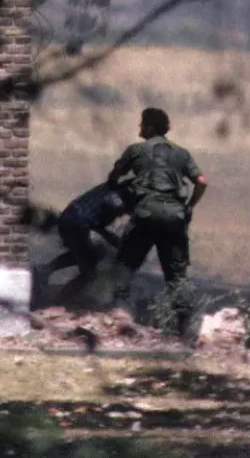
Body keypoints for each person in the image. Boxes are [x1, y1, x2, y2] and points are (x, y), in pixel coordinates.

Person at [107, 106, 207, 336]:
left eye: (142, 124)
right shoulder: (182, 153)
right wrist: (189, 206)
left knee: (123, 266)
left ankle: (119, 319)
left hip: (146, 214)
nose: (139, 128)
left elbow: (114, 176)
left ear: (150, 128)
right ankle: (184, 330)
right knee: (176, 275)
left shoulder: (135, 150)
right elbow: (201, 181)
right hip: (175, 217)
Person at [35, 181, 133, 305]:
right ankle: (55, 304)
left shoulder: (113, 185)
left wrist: (112, 239)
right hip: (77, 226)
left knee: (95, 252)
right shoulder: (119, 203)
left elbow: (96, 221)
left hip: (68, 217)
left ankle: (44, 270)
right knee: (88, 273)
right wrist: (115, 240)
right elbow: (99, 224)